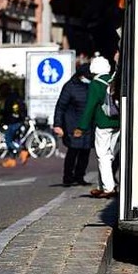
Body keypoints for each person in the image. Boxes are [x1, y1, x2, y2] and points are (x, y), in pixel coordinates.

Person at [73, 52, 119, 198]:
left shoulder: (96, 84)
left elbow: (90, 107)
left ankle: (109, 187)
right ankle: (101, 185)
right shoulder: (113, 80)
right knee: (109, 154)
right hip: (117, 122)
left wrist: (81, 127)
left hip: (103, 123)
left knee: (102, 155)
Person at [53, 54, 93, 187]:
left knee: (85, 152)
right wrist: (58, 124)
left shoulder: (91, 86)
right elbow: (60, 107)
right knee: (73, 151)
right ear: (81, 76)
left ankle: (80, 176)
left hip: (87, 125)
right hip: (72, 126)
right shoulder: (69, 87)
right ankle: (68, 177)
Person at [1, 82, 29, 168]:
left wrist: (2, 117)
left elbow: (7, 111)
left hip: (12, 122)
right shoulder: (17, 97)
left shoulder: (9, 99)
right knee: (14, 140)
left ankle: (22, 152)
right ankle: (12, 160)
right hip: (19, 121)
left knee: (8, 141)